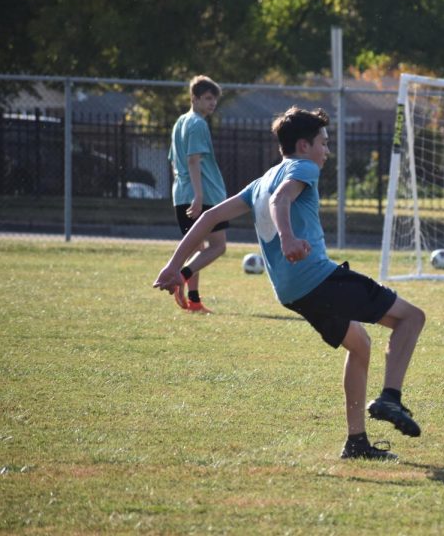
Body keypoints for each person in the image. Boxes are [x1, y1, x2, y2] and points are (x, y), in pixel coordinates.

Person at [154, 106, 425, 460]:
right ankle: (391, 398)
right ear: (303, 145)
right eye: (323, 143)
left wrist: (175, 266)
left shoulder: (261, 180)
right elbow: (283, 199)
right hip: (318, 278)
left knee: (359, 345)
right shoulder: (303, 167)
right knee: (411, 318)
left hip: (291, 292)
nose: (326, 151)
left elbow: (208, 217)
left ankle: (356, 442)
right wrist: (287, 239)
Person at [167, 75, 229, 313]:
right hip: (204, 195)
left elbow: (175, 160)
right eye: (207, 98)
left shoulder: (180, 122)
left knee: (196, 248)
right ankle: (180, 276)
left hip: (181, 193)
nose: (212, 103)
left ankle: (193, 301)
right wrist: (199, 195)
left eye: (214, 99)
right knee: (218, 246)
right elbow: (193, 160)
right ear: (194, 98)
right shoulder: (197, 124)